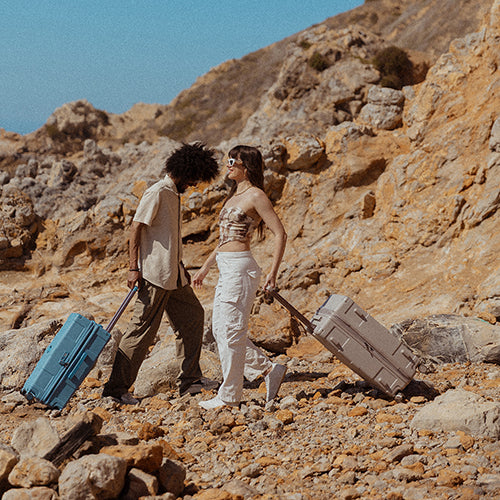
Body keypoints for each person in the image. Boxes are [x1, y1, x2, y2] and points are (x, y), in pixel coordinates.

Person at [102, 142, 219, 403]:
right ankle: (115, 390)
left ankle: (190, 381)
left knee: (193, 317)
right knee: (140, 332)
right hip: (154, 276)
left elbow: (168, 238)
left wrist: (180, 267)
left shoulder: (173, 194)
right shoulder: (157, 192)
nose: (193, 184)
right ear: (185, 171)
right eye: (193, 178)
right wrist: (133, 267)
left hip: (174, 275)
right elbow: (136, 228)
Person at [193, 145, 288, 409]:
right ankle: (268, 369)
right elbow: (225, 238)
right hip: (226, 267)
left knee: (231, 330)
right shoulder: (233, 196)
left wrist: (273, 273)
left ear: (247, 167)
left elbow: (280, 233)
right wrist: (206, 267)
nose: (228, 165)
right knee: (220, 329)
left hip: (241, 268)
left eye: (233, 161)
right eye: (228, 160)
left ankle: (230, 396)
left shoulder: (256, 195)